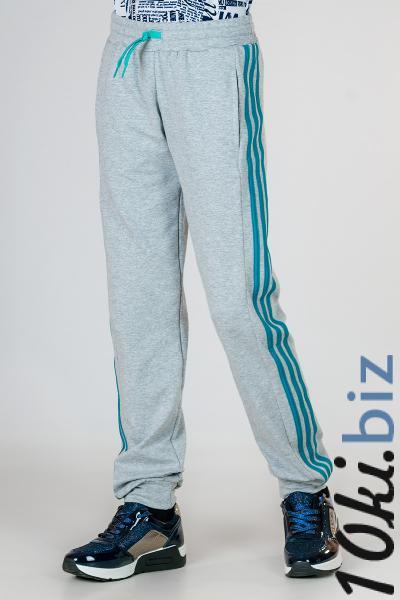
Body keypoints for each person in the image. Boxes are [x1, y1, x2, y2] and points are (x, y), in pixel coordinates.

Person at [63, 0, 341, 581]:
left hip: (213, 52)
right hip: (127, 52)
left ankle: (305, 488)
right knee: (139, 303)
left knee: (240, 299)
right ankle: (150, 508)